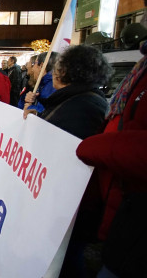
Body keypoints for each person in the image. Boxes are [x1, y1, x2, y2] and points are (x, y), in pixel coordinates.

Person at [25, 45, 112, 277]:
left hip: (72, 205)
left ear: (66, 72)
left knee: (67, 258)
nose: (53, 72)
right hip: (65, 202)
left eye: (58, 67)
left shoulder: (85, 106)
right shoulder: (72, 100)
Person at [75, 40, 147, 278]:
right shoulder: (140, 70)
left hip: (133, 213)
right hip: (118, 207)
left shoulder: (88, 104)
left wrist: (97, 147)